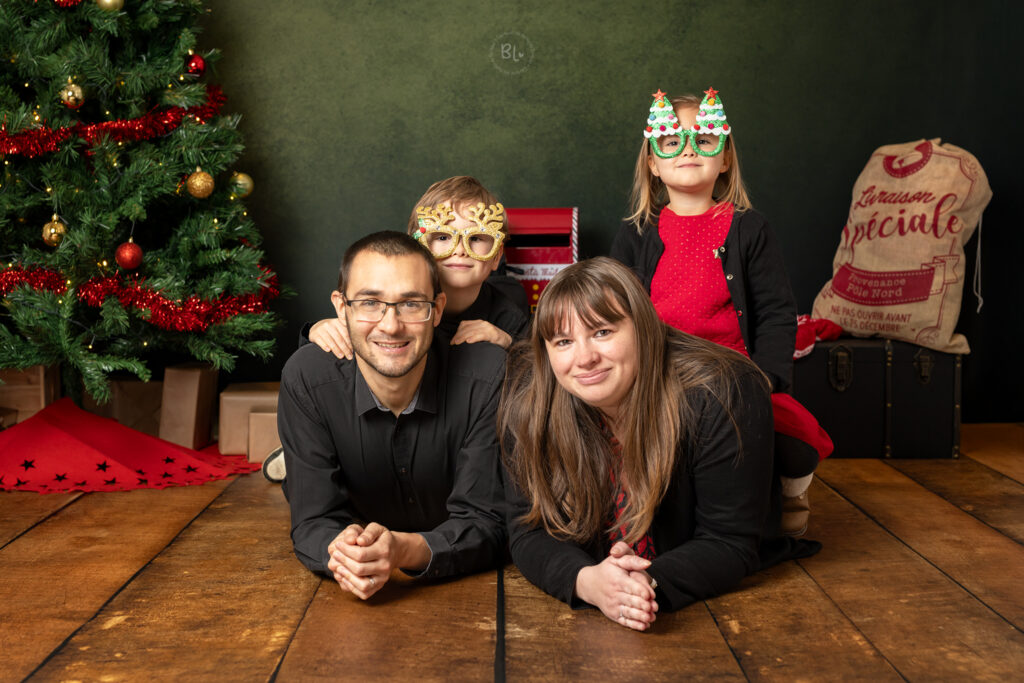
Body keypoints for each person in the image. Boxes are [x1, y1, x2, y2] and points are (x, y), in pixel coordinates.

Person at [498, 257, 820, 630]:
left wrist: (644, 585)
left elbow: (728, 539)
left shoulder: (724, 391)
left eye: (602, 331)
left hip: (732, 483)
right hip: (613, 558)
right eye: (564, 341)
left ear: (643, 327)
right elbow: (527, 529)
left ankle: (794, 486)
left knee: (779, 477)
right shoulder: (529, 398)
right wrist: (587, 582)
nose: (584, 358)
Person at [610, 88, 832, 536]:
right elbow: (617, 315)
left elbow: (774, 311)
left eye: (704, 139)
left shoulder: (750, 228)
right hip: (661, 378)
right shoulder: (636, 235)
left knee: (796, 446)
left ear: (725, 159)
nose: (688, 149)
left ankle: (791, 488)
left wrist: (765, 378)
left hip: (736, 378)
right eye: (672, 142)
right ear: (653, 163)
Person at [276, 231, 507, 599]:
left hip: (452, 575)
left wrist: (402, 550)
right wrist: (343, 553)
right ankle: (300, 458)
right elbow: (314, 520)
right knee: (306, 480)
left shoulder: (487, 376)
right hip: (354, 518)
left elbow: (488, 522)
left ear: (438, 309)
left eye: (412, 304)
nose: (390, 325)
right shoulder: (308, 377)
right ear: (341, 307)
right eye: (369, 302)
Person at [306, 176, 530, 359]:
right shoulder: (391, 305)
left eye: (476, 238)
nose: (460, 250)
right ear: (417, 248)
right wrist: (316, 332)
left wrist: (508, 343)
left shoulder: (509, 315)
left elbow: (538, 369)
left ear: (496, 256)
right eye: (443, 237)